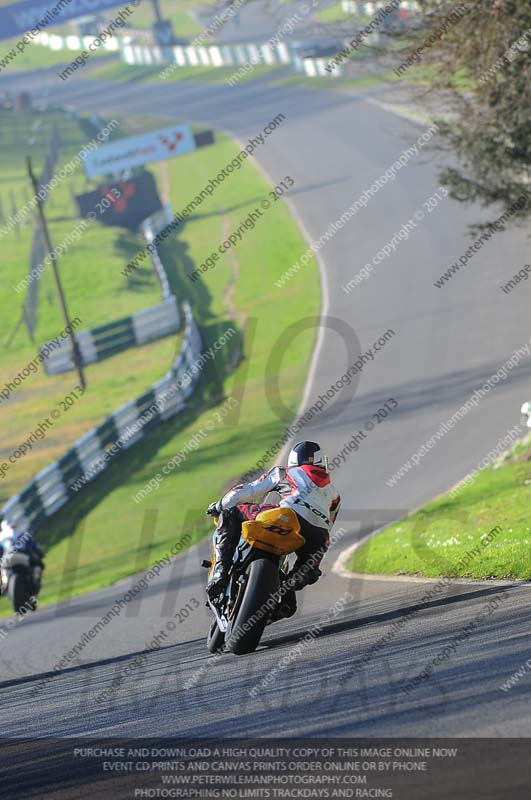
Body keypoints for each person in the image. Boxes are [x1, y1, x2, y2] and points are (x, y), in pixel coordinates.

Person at [206, 441, 341, 600]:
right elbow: (329, 525)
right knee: (307, 569)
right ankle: (285, 590)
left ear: (293, 461)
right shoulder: (335, 494)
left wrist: (220, 505)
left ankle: (221, 570)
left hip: (290, 513)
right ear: (322, 462)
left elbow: (246, 491)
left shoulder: (284, 472)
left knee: (230, 514)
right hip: (319, 536)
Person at [0, 520, 45, 595]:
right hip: (22, 557)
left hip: (8, 559)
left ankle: (4, 584)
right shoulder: (20, 533)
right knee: (38, 564)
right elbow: (33, 546)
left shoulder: (2, 536)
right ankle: (36, 582)